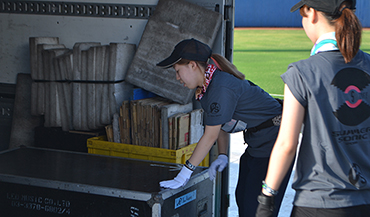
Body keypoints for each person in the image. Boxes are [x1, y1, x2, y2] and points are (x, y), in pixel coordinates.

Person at [256, 0, 370, 217]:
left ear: (312, 13)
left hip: (319, 202)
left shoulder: (301, 72)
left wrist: (267, 198)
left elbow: (287, 145)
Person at [156, 38, 293, 217]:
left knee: (257, 210)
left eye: (177, 71)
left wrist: (184, 174)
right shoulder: (206, 85)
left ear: (192, 65)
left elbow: (210, 135)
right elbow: (219, 123)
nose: (177, 77)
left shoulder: (220, 86)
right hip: (257, 144)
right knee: (242, 198)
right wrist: (222, 154)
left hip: (273, 144)